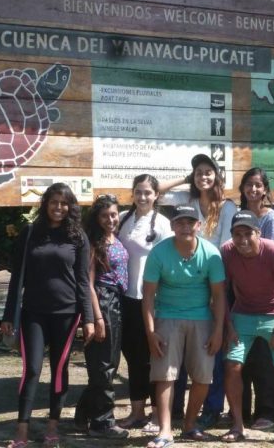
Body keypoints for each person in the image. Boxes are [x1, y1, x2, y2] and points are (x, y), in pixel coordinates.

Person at [0, 182, 94, 448]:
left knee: (59, 369)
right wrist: (9, 315)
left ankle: (53, 427)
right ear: (45, 204)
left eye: (64, 203)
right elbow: (17, 277)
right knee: (31, 369)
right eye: (54, 202)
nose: (59, 208)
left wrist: (88, 319)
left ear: (70, 206)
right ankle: (22, 430)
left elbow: (83, 282)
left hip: (67, 313)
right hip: (33, 312)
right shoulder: (30, 233)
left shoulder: (78, 237)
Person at [159, 153, 237, 427]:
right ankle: (177, 410)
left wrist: (213, 280)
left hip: (214, 282)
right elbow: (156, 193)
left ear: (217, 176)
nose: (203, 177)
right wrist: (185, 178)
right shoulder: (187, 202)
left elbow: (226, 248)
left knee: (211, 349)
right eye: (198, 172)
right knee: (178, 352)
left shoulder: (227, 207)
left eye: (208, 172)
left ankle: (211, 409)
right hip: (184, 285)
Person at [142, 204, 226, 448]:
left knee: (203, 375)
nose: (185, 227)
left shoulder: (211, 253)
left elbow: (219, 295)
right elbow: (148, 296)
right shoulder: (159, 253)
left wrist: (219, 330)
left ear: (198, 226)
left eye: (190, 222)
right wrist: (151, 332)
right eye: (180, 222)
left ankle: (190, 424)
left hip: (202, 318)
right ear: (172, 226)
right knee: (165, 375)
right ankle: (166, 430)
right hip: (167, 316)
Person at [221, 210, 274, 448]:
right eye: (237, 234)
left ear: (259, 233)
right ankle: (237, 424)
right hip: (242, 313)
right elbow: (220, 291)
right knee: (232, 365)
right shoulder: (226, 251)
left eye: (248, 234)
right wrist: (229, 325)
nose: (243, 240)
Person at [117, 174, 173, 433]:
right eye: (138, 192)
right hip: (126, 298)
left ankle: (155, 415)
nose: (142, 197)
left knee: (154, 357)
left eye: (148, 193)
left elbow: (169, 262)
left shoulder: (162, 224)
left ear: (156, 196)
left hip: (151, 300)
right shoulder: (124, 220)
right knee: (133, 356)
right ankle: (137, 411)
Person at [73, 194, 129, 438]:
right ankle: (102, 421)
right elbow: (88, 283)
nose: (111, 219)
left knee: (109, 364)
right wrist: (96, 318)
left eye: (114, 214)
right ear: (96, 218)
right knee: (104, 365)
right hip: (103, 301)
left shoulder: (115, 237)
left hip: (117, 301)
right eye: (105, 215)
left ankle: (83, 412)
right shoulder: (93, 242)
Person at [237, 168, 274, 429]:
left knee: (265, 357)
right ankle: (239, 413)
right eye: (249, 185)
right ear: (243, 188)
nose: (253, 190)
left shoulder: (271, 217)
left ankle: (266, 411)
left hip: (266, 297)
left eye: (258, 185)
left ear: (265, 189)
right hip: (239, 295)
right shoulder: (236, 214)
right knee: (240, 358)